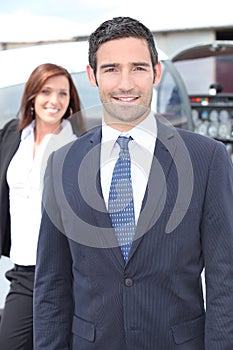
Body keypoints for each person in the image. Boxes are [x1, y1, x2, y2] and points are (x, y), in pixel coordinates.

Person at [34, 17, 233, 350]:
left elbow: (224, 281)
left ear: (155, 73)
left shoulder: (207, 159)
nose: (125, 84)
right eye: (111, 69)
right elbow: (51, 287)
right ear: (92, 75)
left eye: (138, 68)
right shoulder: (61, 164)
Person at [0, 62, 86, 350]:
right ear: (32, 97)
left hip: (65, 270)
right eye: (46, 91)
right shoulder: (13, 134)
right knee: (10, 342)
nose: (54, 101)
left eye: (63, 94)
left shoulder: (77, 146)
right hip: (23, 270)